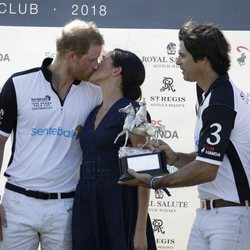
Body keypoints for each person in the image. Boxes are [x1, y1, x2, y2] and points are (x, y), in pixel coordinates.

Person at [119, 21, 250, 250]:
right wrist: (175, 157)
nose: (177, 60)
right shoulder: (209, 94)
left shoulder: (221, 101)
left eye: (182, 55)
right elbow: (209, 158)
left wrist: (155, 182)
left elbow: (207, 169)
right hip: (210, 215)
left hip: (231, 217)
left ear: (203, 59)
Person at [0, 19, 104, 249]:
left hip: (66, 207)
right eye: (92, 59)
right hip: (18, 204)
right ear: (71, 56)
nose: (96, 65)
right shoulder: (19, 84)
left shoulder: (96, 94)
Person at [72, 48, 157, 250]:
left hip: (119, 204)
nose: (96, 64)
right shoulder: (92, 112)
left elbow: (145, 175)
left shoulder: (135, 111)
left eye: (103, 60)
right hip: (86, 201)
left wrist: (139, 232)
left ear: (116, 71)